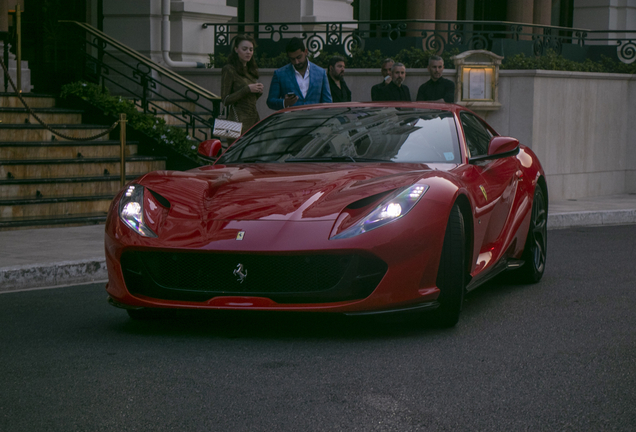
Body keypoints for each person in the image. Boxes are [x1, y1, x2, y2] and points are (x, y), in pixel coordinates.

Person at [267, 37, 332, 110]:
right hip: (291, 120)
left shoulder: (321, 73)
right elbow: (270, 101)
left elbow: (327, 102)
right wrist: (285, 102)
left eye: (299, 57)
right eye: (292, 59)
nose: (296, 62)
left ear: (306, 52)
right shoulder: (280, 74)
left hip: (315, 120)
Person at [220, 34, 264, 134]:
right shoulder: (229, 69)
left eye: (251, 49)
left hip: (253, 119)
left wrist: (258, 91)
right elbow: (225, 99)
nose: (248, 52)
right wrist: (247, 89)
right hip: (237, 121)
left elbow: (250, 99)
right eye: (244, 49)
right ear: (236, 49)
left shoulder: (251, 70)